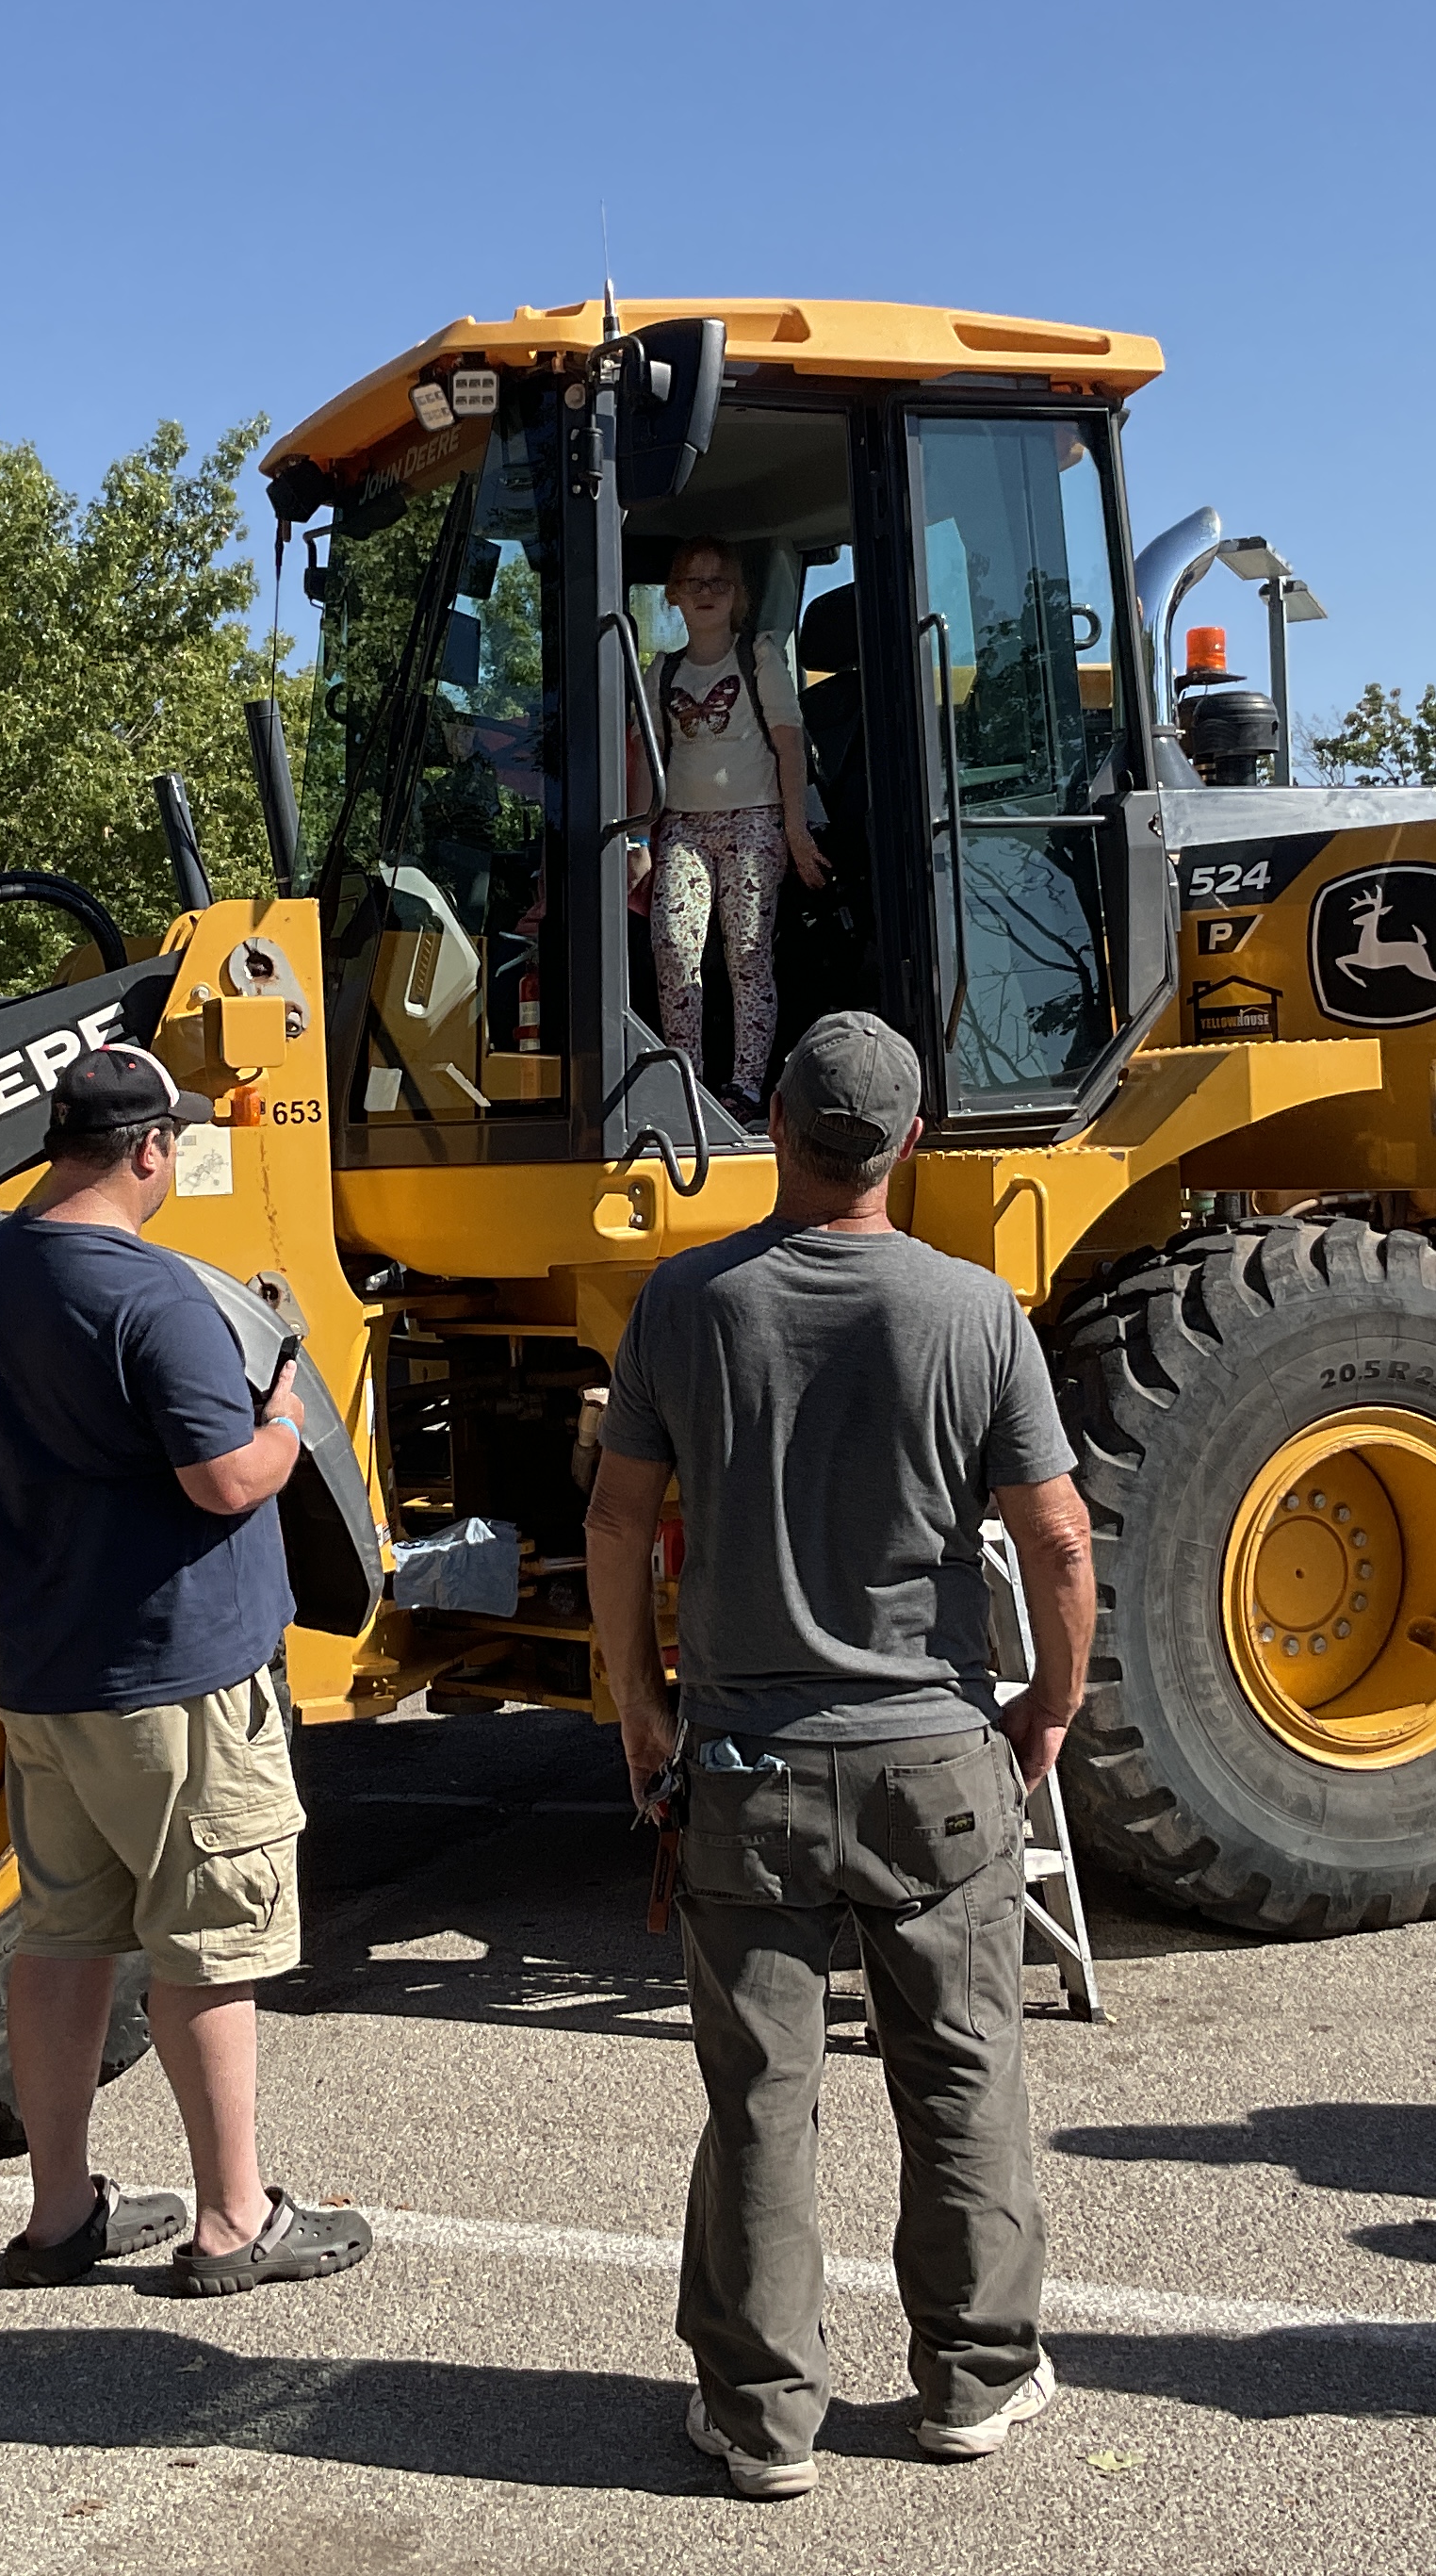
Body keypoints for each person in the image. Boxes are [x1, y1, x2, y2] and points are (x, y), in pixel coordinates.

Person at [584, 1010, 1092, 2499]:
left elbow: (617, 1520)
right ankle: (975, 2381)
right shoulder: (976, 1311)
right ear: (910, 1143)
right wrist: (1053, 1704)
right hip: (937, 1756)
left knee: (760, 2096)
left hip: (749, 1760)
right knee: (963, 2069)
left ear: (774, 1127)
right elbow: (1059, 1537)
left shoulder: (688, 1303)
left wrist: (641, 1704)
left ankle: (762, 2419)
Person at [0, 1044, 371, 2297]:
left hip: (46, 1669)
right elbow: (225, 1480)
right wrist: (285, 1415)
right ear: (148, 1151)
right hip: (176, 1677)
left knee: (63, 1941)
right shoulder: (156, 1296)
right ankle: (236, 2220)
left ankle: (60, 2212)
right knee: (206, 1945)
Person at [628, 537, 828, 1120]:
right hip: (683, 827)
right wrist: (638, 840)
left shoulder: (758, 657)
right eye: (693, 581)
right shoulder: (662, 671)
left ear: (739, 594)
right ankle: (686, 1080)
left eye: (720, 581)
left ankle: (746, 1087)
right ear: (673, 595)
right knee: (672, 945)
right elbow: (648, 761)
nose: (706, 591)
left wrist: (795, 831)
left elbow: (789, 747)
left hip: (754, 820)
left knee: (747, 951)